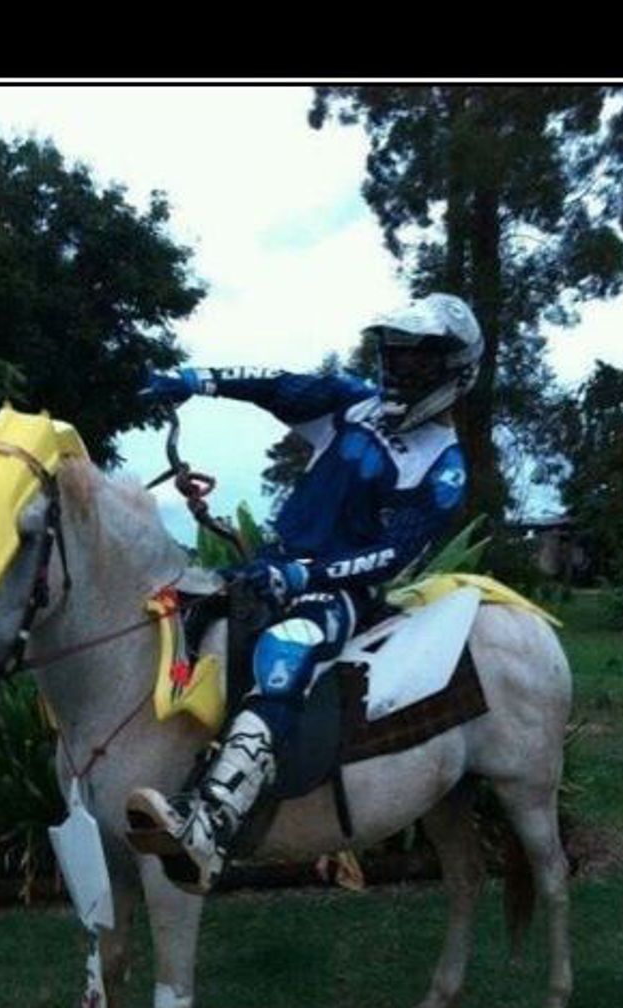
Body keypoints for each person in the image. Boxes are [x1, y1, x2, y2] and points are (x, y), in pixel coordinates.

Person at [127, 292, 484, 893]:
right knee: (174, 612)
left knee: (287, 649)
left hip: (342, 592)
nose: (398, 366)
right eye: (394, 352)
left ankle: (213, 823)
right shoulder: (352, 401)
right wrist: (196, 380)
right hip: (271, 564)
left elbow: (393, 555)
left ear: (452, 372)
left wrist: (306, 577)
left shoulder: (443, 467)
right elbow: (277, 386)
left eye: (416, 358)